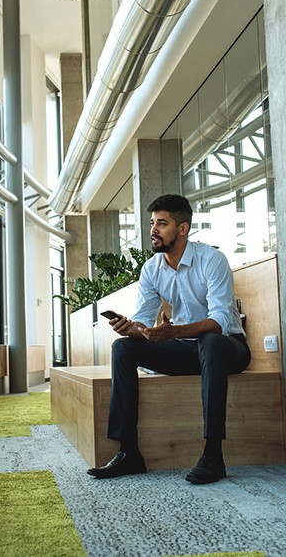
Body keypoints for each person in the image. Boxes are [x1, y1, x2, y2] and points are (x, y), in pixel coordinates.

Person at [87, 194, 250, 484]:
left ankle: (213, 454)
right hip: (185, 350)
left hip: (228, 349)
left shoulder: (212, 260)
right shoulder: (151, 269)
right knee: (123, 348)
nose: (154, 230)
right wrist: (131, 328)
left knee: (211, 342)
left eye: (162, 223)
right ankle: (129, 453)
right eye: (152, 223)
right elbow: (144, 322)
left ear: (183, 228)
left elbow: (220, 322)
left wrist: (172, 331)